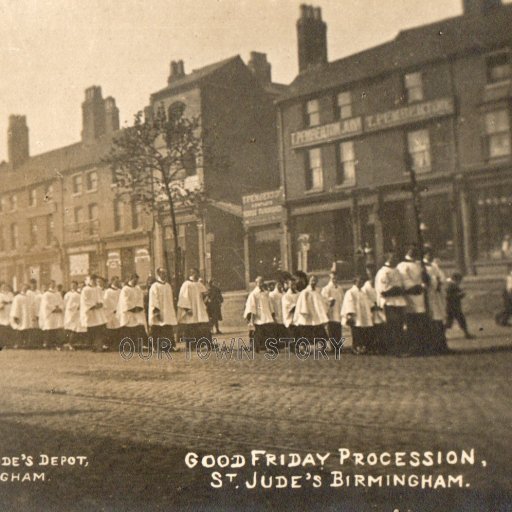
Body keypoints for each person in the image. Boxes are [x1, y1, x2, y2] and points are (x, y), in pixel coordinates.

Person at [396, 245, 430, 355]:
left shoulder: (419, 264)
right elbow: (404, 280)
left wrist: (423, 284)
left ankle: (422, 347)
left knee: (421, 322)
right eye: (410, 249)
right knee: (411, 324)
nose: (412, 251)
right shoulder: (402, 266)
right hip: (410, 297)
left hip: (420, 297)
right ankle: (412, 348)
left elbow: (425, 279)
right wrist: (416, 287)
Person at [374, 251, 407, 356]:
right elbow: (384, 292)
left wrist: (397, 289)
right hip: (389, 303)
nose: (395, 259)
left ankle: (400, 348)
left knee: (399, 326)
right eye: (393, 257)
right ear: (387, 258)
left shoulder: (397, 271)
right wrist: (396, 290)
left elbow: (402, 287)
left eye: (396, 257)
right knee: (392, 326)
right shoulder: (383, 272)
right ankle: (393, 349)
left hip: (399, 302)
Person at [423, 249, 449, 354]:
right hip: (429, 296)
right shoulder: (423, 267)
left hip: (437, 296)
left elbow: (442, 278)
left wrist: (438, 281)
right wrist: (435, 281)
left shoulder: (434, 266)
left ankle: (442, 345)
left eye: (430, 254)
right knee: (433, 319)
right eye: (427, 254)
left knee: (439, 318)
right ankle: (434, 345)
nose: (429, 256)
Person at [341, 275, 374, 354]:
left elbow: (367, 302)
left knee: (363, 332)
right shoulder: (350, 292)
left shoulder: (363, 292)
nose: (360, 283)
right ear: (355, 282)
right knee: (356, 333)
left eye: (362, 282)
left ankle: (362, 347)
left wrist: (373, 306)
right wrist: (350, 314)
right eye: (359, 281)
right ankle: (355, 347)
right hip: (355, 316)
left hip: (363, 316)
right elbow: (349, 303)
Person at [293, 275, 329, 345]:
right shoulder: (305, 292)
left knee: (319, 330)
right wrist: (305, 312)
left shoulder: (317, 292)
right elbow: (302, 303)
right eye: (312, 280)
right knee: (306, 332)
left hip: (316, 315)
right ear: (309, 281)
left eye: (315, 280)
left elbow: (321, 302)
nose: (313, 282)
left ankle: (322, 345)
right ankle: (305, 347)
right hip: (308, 315)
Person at [178, 268, 211, 345]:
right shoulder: (186, 284)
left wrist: (206, 295)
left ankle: (206, 343)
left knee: (203, 326)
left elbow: (204, 295)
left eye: (197, 273)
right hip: (191, 310)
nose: (197, 275)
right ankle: (191, 345)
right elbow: (183, 297)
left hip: (199, 309)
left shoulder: (199, 284)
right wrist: (187, 309)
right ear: (191, 274)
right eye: (195, 273)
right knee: (191, 327)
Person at [244, 276, 275, 352]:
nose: (261, 283)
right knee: (258, 333)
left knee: (268, 333)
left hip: (267, 316)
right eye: (259, 282)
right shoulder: (253, 294)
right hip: (258, 317)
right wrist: (251, 318)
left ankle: (268, 347)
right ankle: (256, 347)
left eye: (262, 282)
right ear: (256, 283)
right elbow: (251, 306)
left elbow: (269, 304)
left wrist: (272, 313)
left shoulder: (266, 293)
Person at [149, 268, 177, 350]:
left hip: (167, 311)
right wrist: (156, 312)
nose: (164, 275)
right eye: (162, 273)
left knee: (167, 328)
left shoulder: (168, 286)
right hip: (159, 311)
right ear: (158, 274)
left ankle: (169, 346)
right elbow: (154, 300)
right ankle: (158, 347)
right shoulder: (154, 286)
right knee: (158, 329)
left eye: (165, 273)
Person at [362, 266, 386, 354]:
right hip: (372, 311)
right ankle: (371, 347)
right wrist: (372, 305)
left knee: (381, 328)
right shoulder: (365, 287)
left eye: (373, 275)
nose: (371, 277)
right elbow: (364, 298)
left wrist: (380, 303)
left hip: (380, 309)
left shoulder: (378, 284)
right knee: (371, 329)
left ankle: (381, 347)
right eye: (369, 275)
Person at [118, 274, 147, 347]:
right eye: (134, 280)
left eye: (137, 280)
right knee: (128, 329)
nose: (136, 282)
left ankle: (139, 345)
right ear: (130, 279)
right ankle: (128, 346)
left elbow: (140, 298)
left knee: (139, 327)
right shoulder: (125, 289)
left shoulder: (138, 289)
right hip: (129, 312)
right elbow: (124, 301)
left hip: (137, 311)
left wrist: (138, 307)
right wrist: (132, 308)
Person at [80, 274, 107, 350]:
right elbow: (84, 301)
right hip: (91, 311)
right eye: (93, 280)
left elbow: (102, 298)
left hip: (98, 312)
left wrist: (101, 303)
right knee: (92, 330)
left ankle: (99, 345)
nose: (95, 281)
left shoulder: (98, 289)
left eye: (96, 280)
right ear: (90, 280)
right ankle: (93, 346)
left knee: (99, 328)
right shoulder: (85, 289)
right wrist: (93, 305)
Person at [446, 272, 475, 339]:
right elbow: (451, 296)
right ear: (456, 279)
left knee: (449, 323)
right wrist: (461, 294)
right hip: (454, 307)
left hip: (451, 307)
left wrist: (461, 294)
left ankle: (467, 334)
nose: (460, 282)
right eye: (459, 280)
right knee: (460, 321)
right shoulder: (452, 286)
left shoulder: (451, 285)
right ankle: (467, 334)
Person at [39, 280, 65, 348]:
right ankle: (48, 344)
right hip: (50, 314)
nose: (53, 285)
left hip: (57, 313)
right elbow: (46, 304)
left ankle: (56, 344)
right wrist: (53, 308)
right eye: (51, 284)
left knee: (57, 329)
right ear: (49, 285)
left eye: (54, 284)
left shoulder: (58, 294)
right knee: (49, 328)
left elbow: (61, 302)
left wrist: (60, 308)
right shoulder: (46, 294)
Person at [321, 271, 344, 345]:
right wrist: (330, 300)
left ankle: (338, 344)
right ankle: (333, 345)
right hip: (331, 311)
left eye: (336, 278)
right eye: (333, 278)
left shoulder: (340, 288)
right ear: (330, 278)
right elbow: (324, 299)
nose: (335, 280)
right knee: (332, 328)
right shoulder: (326, 289)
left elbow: (342, 299)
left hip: (338, 310)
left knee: (338, 328)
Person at [63, 281, 86, 348]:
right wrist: (77, 306)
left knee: (80, 328)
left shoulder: (82, 294)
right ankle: (70, 343)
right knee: (74, 328)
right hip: (74, 313)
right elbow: (68, 305)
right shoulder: (73, 295)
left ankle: (79, 343)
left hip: (80, 314)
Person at [103, 276, 122, 350]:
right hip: (110, 312)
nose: (117, 282)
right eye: (116, 281)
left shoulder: (120, 291)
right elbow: (106, 302)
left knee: (118, 328)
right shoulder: (108, 291)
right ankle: (109, 345)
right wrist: (112, 309)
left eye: (118, 281)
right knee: (110, 329)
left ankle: (117, 345)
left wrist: (118, 308)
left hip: (118, 311)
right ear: (112, 281)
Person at [282, 276, 299, 342]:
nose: (293, 286)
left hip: (298, 318)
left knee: (299, 335)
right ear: (288, 285)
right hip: (291, 319)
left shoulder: (299, 294)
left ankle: (299, 348)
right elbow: (290, 308)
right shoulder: (286, 296)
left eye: (294, 284)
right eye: (292, 284)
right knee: (292, 335)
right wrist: (299, 306)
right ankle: (293, 348)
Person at [26, 278, 43, 347]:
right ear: (30, 285)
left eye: (35, 284)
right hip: (32, 311)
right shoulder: (28, 293)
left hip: (39, 311)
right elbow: (28, 304)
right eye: (32, 284)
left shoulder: (38, 292)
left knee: (39, 327)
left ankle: (38, 342)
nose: (34, 285)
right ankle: (31, 343)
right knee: (32, 327)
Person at [0, 282, 14, 348]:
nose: (5, 288)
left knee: (9, 328)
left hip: (9, 312)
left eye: (6, 286)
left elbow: (13, 302)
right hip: (2, 313)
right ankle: (2, 344)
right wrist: (2, 305)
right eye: (3, 287)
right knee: (2, 329)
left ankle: (9, 343)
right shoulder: (0, 295)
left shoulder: (10, 294)